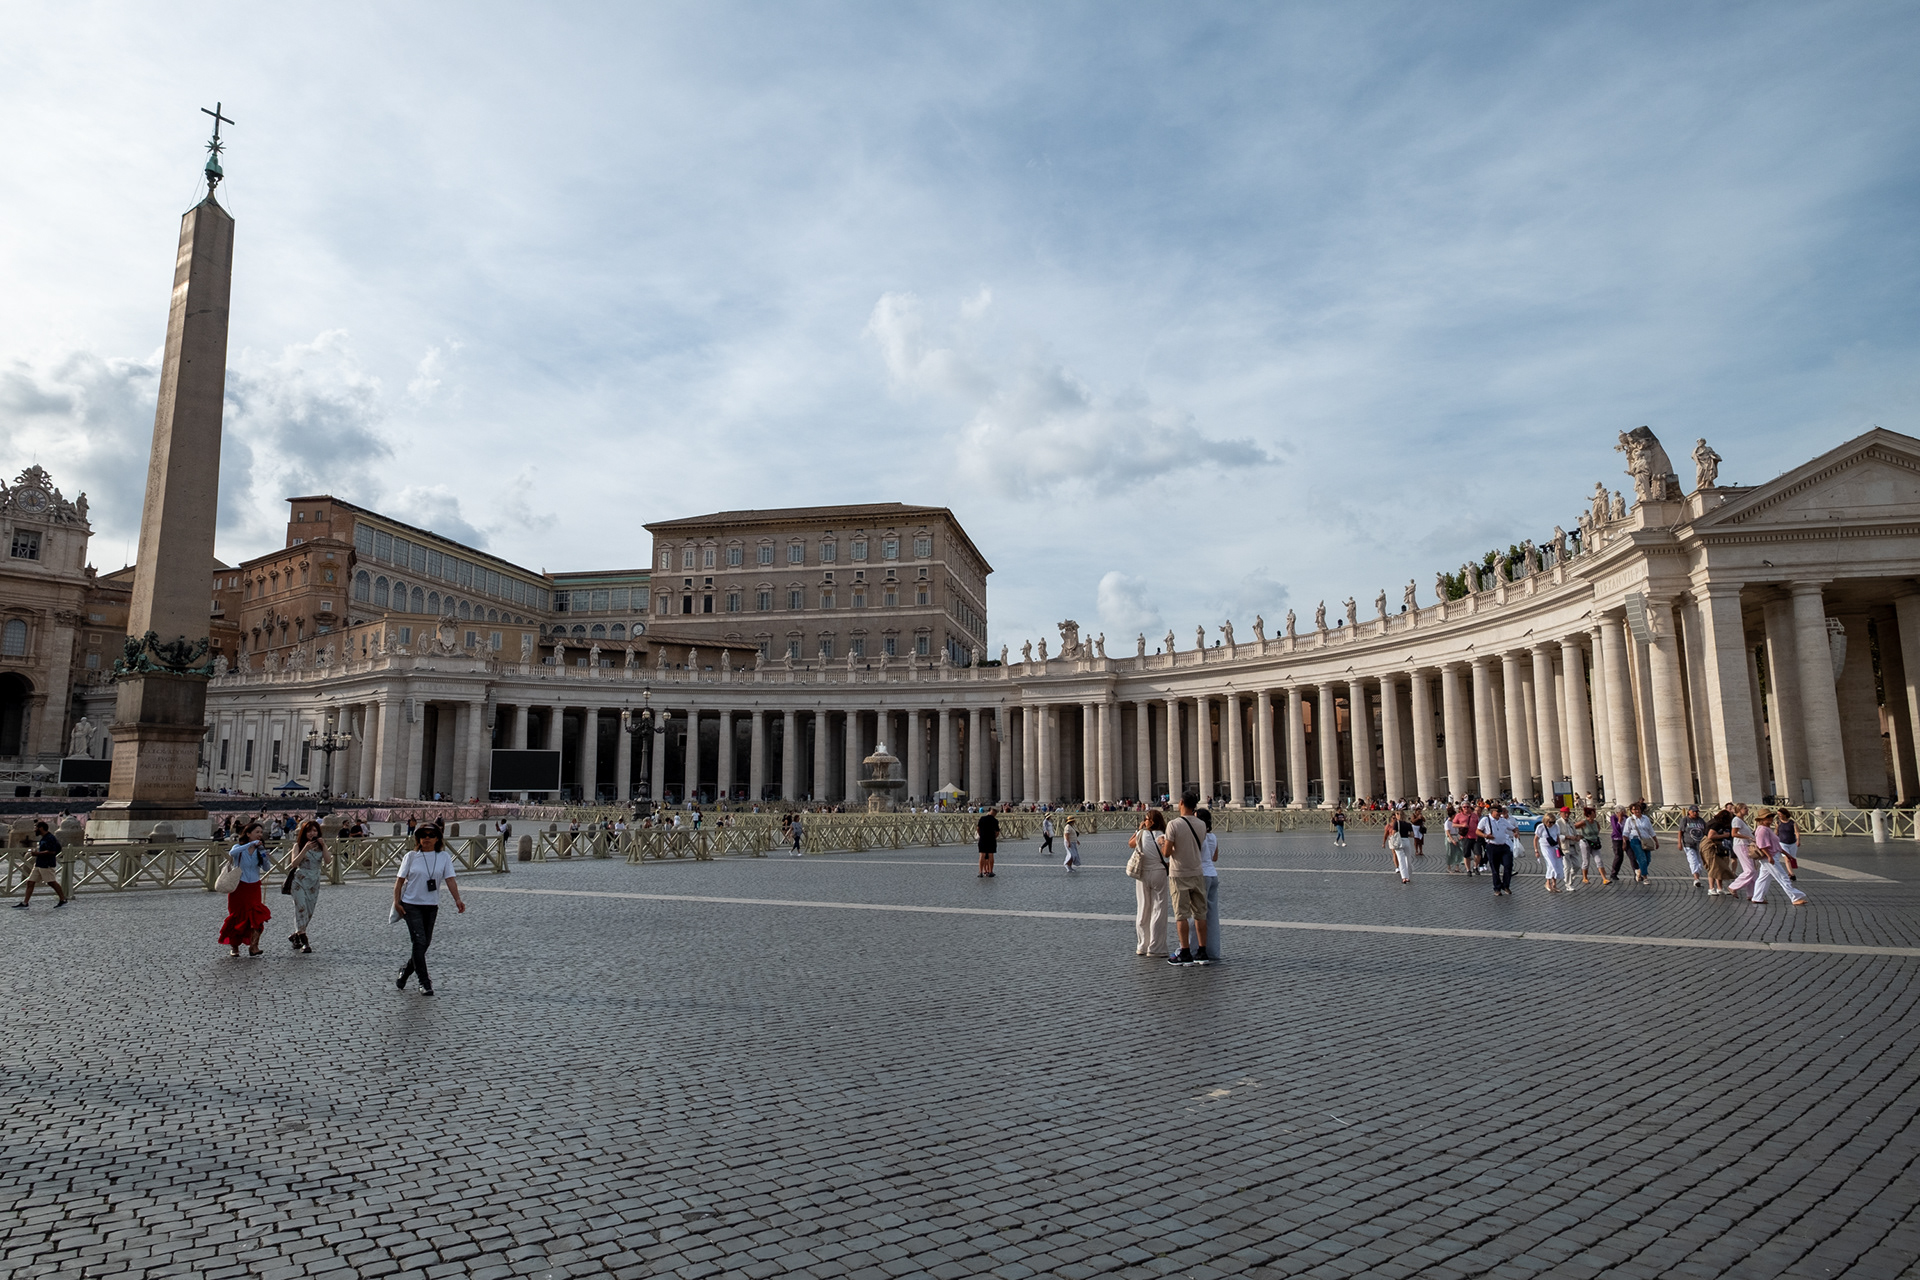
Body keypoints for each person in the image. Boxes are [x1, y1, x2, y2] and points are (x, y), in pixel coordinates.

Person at [393, 824, 466, 995]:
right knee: (419, 942)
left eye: (431, 835)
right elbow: (399, 881)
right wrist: (396, 902)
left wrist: (457, 899)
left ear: (437, 838)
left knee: (424, 944)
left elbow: (450, 879)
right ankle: (424, 982)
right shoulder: (411, 857)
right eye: (423, 835)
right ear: (418, 838)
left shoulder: (444, 857)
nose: (427, 838)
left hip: (431, 906)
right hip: (411, 905)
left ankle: (405, 971)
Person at [1164, 790, 1211, 965]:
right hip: (1197, 872)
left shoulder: (1173, 824)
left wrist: (1163, 843)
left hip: (1179, 873)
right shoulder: (1201, 824)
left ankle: (1185, 952)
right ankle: (1202, 952)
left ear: (1181, 803)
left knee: (1181, 914)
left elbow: (1167, 852)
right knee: (1200, 914)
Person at [219, 822, 274, 958]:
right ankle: (234, 946)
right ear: (248, 834)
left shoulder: (259, 850)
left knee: (256, 916)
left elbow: (266, 868)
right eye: (257, 832)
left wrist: (265, 856)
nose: (260, 835)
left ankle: (254, 946)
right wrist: (250, 844)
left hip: (254, 886)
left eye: (261, 832)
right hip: (239, 886)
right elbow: (232, 853)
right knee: (237, 917)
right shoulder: (239, 848)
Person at [283, 819, 330, 952]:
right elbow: (294, 863)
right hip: (299, 881)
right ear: (304, 833)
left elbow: (328, 861)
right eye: (309, 831)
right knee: (301, 908)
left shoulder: (321, 846)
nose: (312, 833)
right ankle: (305, 941)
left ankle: (296, 935)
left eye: (314, 831)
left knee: (309, 911)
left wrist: (324, 846)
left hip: (314, 881)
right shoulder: (298, 846)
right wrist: (305, 849)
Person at [1129, 810, 1169, 956]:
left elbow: (1130, 844)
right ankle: (1156, 947)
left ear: (1151, 821)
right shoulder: (1163, 835)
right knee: (1159, 910)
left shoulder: (1141, 834)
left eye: (1146, 819)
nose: (1144, 821)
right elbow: (1167, 854)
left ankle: (1142, 945)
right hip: (1159, 872)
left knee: (1143, 908)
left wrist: (1138, 830)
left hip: (1142, 874)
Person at [1750, 810, 1808, 907]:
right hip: (1769, 857)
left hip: (1772, 855)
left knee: (1763, 878)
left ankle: (1757, 897)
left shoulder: (1767, 829)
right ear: (1762, 819)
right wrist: (1769, 857)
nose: (1771, 819)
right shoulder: (1762, 830)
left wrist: (1786, 854)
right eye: (1768, 817)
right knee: (1783, 877)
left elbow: (1776, 845)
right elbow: (1761, 845)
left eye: (1771, 817)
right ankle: (1795, 897)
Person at [13, 821, 69, 908]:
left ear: (41, 828)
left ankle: (63, 899)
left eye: (36, 828)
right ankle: (25, 903)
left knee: (51, 882)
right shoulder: (43, 838)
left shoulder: (50, 838)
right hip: (39, 864)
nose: (34, 830)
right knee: (30, 882)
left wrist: (37, 854)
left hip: (47, 864)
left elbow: (52, 851)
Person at [1196, 807, 1222, 961]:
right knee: (1212, 915)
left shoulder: (1201, 837)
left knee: (1197, 914)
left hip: (1202, 875)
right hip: (1213, 875)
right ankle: (1213, 950)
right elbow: (1215, 857)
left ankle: (1194, 949)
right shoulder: (1213, 836)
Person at [1726, 804, 1759, 900]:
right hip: (1741, 845)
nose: (1747, 810)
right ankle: (1733, 886)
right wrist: (1748, 837)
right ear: (1739, 810)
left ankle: (1751, 894)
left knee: (1753, 871)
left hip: (1746, 845)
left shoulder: (1742, 820)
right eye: (1745, 808)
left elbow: (1743, 832)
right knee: (1750, 870)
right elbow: (1734, 834)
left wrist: (1753, 833)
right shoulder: (1736, 820)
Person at [1483, 805, 1516, 896]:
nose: (1500, 814)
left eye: (1501, 812)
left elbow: (1513, 828)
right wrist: (1486, 836)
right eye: (1498, 812)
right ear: (1492, 812)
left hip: (1504, 846)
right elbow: (1478, 831)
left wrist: (1516, 832)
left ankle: (1506, 886)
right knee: (1495, 868)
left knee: (1508, 865)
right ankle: (1497, 888)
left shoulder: (1503, 820)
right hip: (1492, 846)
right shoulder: (1485, 820)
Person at [1625, 802, 1657, 884]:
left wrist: (1656, 841)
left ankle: (1639, 871)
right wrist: (1624, 842)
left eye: (1638, 809)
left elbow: (1651, 830)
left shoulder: (1645, 818)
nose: (1637, 811)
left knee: (1648, 859)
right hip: (1635, 840)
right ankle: (1645, 877)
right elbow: (1625, 832)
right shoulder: (1630, 820)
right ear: (1631, 811)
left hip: (1646, 840)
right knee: (1642, 859)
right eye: (1634, 809)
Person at [1678, 806, 1708, 889]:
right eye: (1694, 812)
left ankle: (1697, 876)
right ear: (1689, 812)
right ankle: (1696, 879)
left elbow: (1705, 831)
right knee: (1693, 860)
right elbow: (1680, 831)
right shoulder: (1685, 820)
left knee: (1700, 862)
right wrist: (1679, 843)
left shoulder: (1701, 820)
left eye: (1697, 812)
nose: (1695, 813)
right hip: (1689, 844)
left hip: (1700, 844)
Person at [1535, 811, 1564, 892]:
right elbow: (1535, 839)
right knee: (1551, 864)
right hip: (1545, 847)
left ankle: (1554, 884)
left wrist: (1560, 848)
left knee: (1557, 864)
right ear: (1546, 821)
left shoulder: (1556, 826)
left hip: (1554, 846)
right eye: (1550, 822)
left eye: (1553, 822)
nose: (1552, 824)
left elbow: (1557, 838)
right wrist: (1536, 850)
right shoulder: (1540, 827)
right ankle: (1548, 883)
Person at [1384, 810, 1413, 885]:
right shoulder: (1408, 824)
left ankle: (1404, 877)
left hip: (1399, 842)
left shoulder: (1396, 823)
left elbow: (1394, 833)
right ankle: (1408, 876)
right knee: (1408, 859)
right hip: (1406, 841)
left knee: (1401, 859)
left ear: (1398, 815)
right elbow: (1412, 835)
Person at [1776, 807, 1800, 881]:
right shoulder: (1778, 823)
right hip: (1782, 843)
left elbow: (1797, 832)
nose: (1779, 816)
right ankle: (1792, 875)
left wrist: (1798, 840)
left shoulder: (1792, 823)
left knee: (1792, 859)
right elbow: (1776, 832)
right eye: (1778, 814)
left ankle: (1789, 872)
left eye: (1780, 814)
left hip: (1792, 843)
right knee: (1787, 859)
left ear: (1785, 814)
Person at [976, 808, 999, 878]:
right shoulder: (995, 821)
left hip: (983, 838)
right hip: (991, 839)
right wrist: (994, 837)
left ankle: (980, 872)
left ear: (989, 812)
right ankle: (990, 871)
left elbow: (978, 828)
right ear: (995, 814)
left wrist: (980, 834)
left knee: (982, 855)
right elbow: (997, 832)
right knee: (991, 855)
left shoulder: (982, 818)